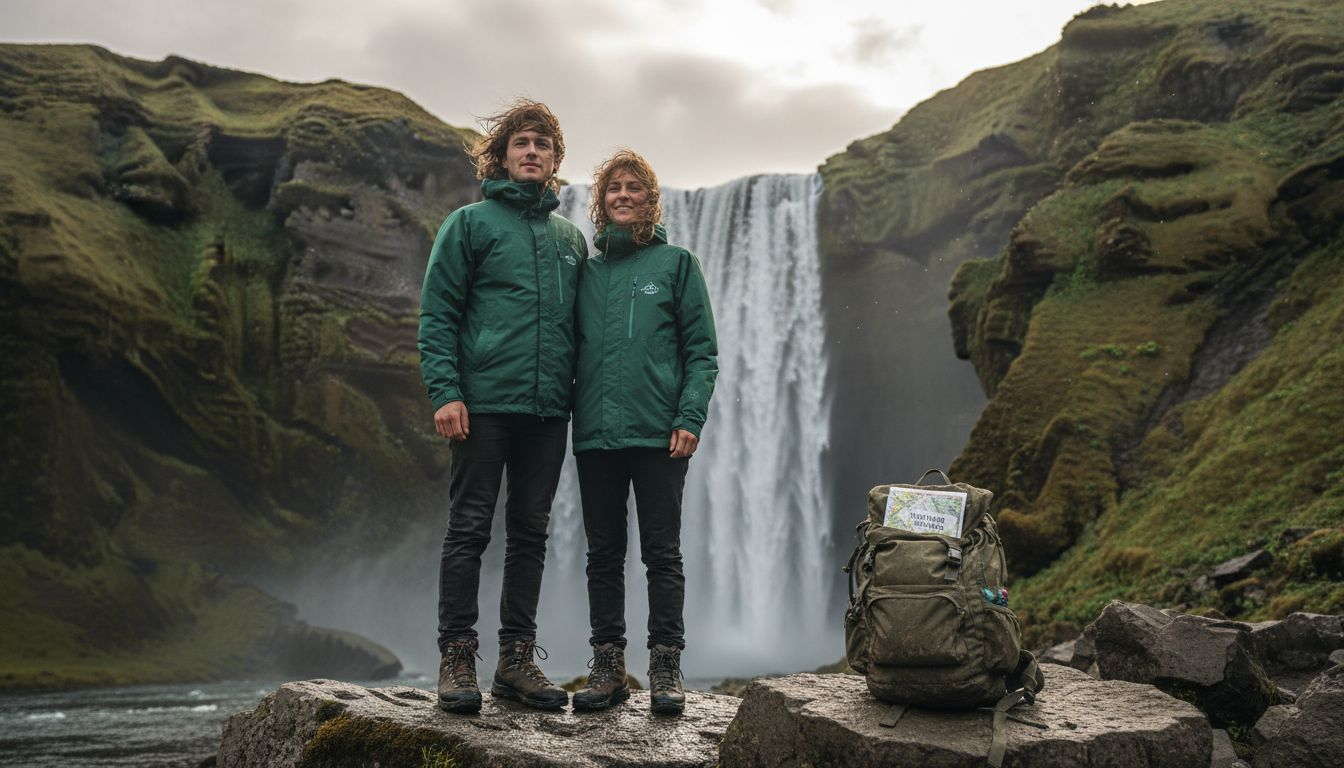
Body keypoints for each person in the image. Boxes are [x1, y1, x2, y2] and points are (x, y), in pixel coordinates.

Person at [418, 99, 587, 714]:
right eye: (522, 142)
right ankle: (457, 657)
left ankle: (516, 661)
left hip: (547, 411)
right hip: (483, 403)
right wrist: (446, 392)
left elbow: (585, 330)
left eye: (543, 144)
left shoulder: (571, 240)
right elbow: (438, 314)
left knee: (531, 534)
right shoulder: (469, 224)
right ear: (502, 155)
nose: (532, 152)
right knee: (468, 529)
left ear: (555, 159)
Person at [569, 150, 718, 715]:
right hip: (596, 435)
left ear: (650, 199)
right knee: (603, 555)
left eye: (634, 187)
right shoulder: (586, 272)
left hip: (660, 434)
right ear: (601, 201)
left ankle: (665, 666)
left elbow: (702, 352)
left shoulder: (677, 264)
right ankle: (608, 667)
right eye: (614, 188)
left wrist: (689, 417)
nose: (623, 195)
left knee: (662, 553)